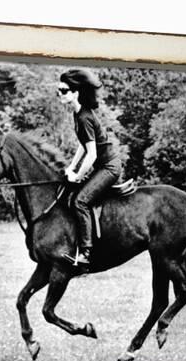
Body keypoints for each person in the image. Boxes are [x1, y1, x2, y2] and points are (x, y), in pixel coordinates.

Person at [58, 69, 122, 267]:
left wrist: (77, 175)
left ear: (76, 93)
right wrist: (72, 168)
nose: (60, 94)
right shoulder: (78, 114)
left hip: (109, 167)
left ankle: (86, 252)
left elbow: (92, 154)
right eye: (58, 90)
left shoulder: (84, 117)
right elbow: (83, 146)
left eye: (64, 90)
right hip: (102, 165)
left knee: (80, 201)